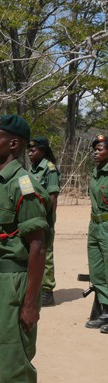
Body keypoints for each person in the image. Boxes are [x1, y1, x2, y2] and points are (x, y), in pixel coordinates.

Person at [0, 114, 51, 383]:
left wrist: (30, 302)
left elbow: (37, 247)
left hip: (13, 283)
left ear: (14, 144)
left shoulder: (24, 185)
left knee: (13, 366)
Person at [27, 137, 61, 307]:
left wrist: (48, 220)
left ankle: (47, 291)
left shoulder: (50, 169)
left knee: (45, 253)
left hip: (44, 219)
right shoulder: (31, 170)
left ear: (43, 151)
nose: (30, 153)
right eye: (29, 150)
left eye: (33, 150)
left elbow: (53, 196)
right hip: (31, 219)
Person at [85, 133, 108, 333]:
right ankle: (105, 311)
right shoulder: (96, 171)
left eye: (100, 150)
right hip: (94, 226)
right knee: (97, 270)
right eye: (95, 150)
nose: (95, 153)